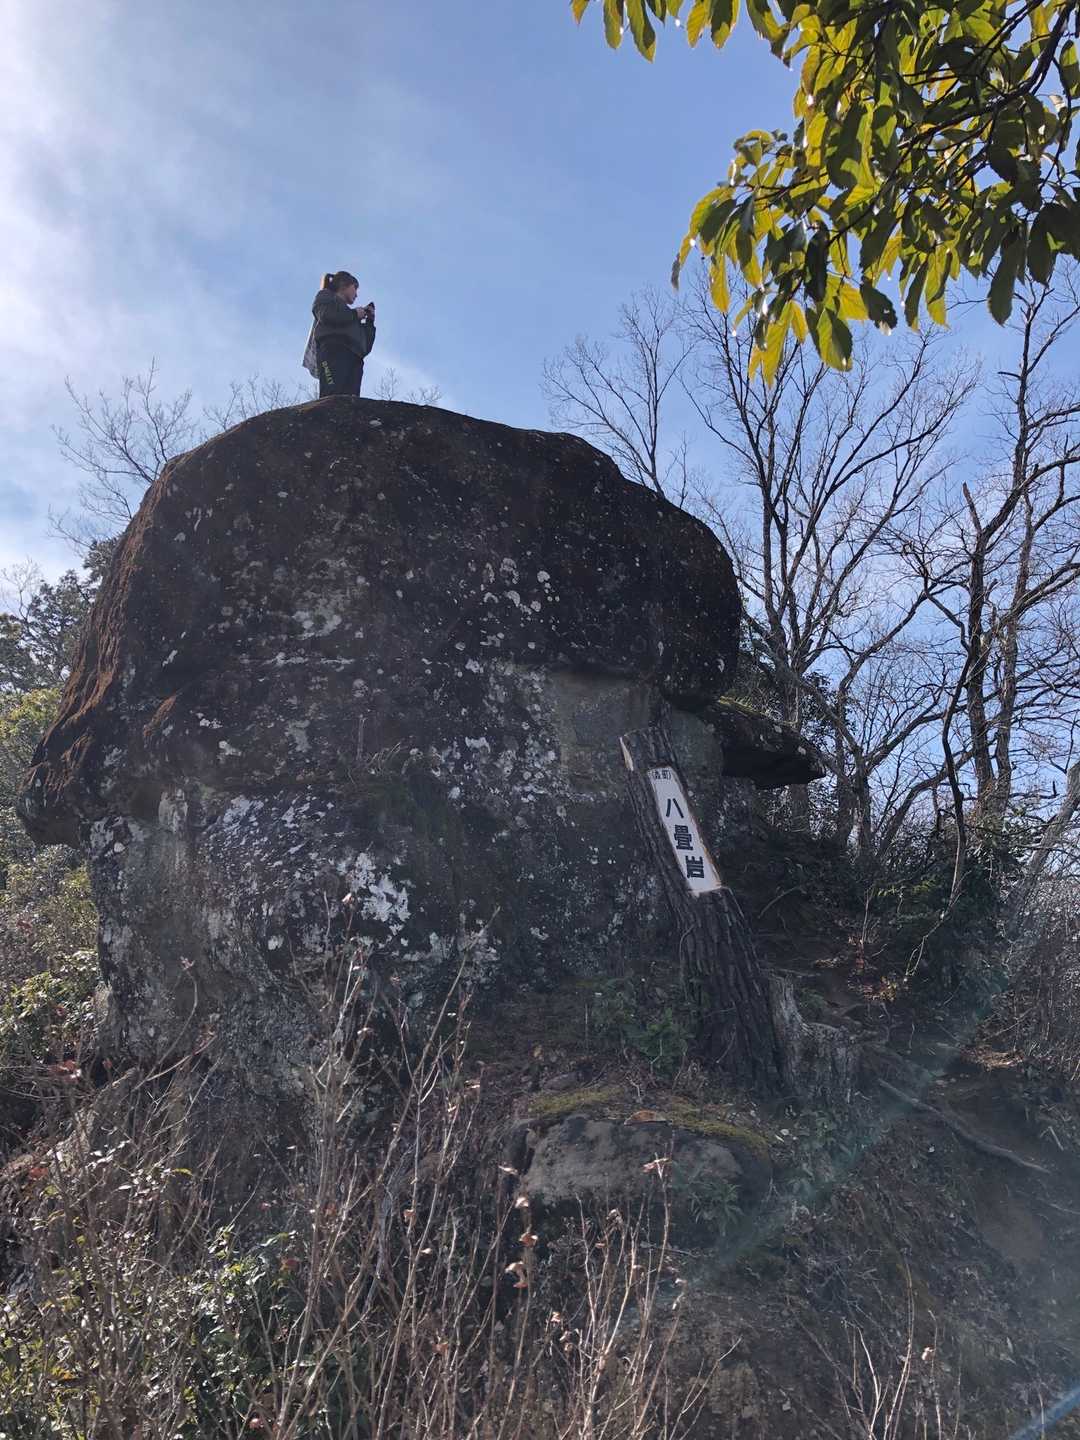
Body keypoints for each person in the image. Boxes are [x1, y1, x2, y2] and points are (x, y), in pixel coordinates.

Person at [309, 271, 376, 397]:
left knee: (351, 401)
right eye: (355, 288)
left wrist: (369, 323)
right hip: (332, 352)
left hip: (355, 359)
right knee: (331, 396)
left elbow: (365, 347)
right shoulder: (325, 296)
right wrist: (354, 314)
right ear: (343, 284)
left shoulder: (352, 319)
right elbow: (326, 315)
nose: (356, 294)